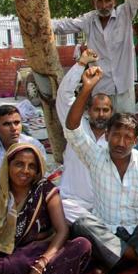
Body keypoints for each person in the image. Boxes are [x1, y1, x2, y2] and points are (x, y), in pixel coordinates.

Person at [64, 66, 138, 274]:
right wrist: (86, 89)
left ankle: (115, 262)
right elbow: (72, 128)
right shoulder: (95, 155)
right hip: (108, 230)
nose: (121, 142)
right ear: (107, 135)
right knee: (82, 225)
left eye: (128, 138)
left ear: (135, 142)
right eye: (116, 135)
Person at [0, 103, 91, 274]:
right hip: (1, 259)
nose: (25, 171)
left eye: (31, 166)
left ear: (37, 170)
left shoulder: (45, 191)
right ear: (8, 166)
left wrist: (39, 266)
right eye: (19, 164)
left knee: (81, 245)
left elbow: (62, 231)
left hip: (34, 257)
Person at [55, 49, 113, 223]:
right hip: (72, 205)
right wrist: (81, 64)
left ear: (112, 112)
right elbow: (64, 95)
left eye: (105, 110)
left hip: (103, 208)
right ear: (89, 111)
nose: (101, 114)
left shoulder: (116, 139)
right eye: (97, 109)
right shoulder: (76, 126)